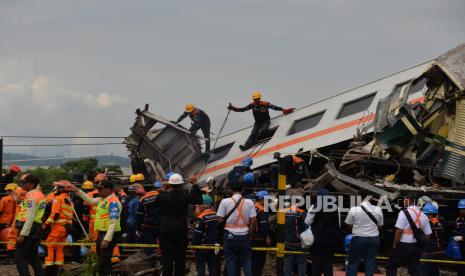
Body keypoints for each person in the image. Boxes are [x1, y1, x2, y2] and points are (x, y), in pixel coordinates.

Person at [59, 179, 123, 276]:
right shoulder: (103, 200)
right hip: (102, 233)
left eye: (101, 189)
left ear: (109, 190)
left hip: (108, 235)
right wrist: (75, 189)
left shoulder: (113, 202)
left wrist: (106, 239)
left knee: (104, 262)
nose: (98, 191)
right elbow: (90, 200)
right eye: (98, 189)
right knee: (102, 261)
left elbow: (113, 222)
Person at [155, 173, 202, 276]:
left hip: (165, 230)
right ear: (181, 184)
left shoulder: (163, 196)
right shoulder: (185, 195)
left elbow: (156, 203)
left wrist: (163, 189)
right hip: (180, 230)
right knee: (180, 258)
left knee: (167, 258)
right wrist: (195, 184)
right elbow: (199, 200)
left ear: (169, 184)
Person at [228, 92, 294, 150]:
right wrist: (233, 108)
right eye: (254, 99)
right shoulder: (252, 105)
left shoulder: (265, 103)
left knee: (264, 130)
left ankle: (256, 139)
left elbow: (275, 107)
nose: (256, 100)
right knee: (253, 133)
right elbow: (242, 109)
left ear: (259, 98)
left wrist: (284, 110)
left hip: (265, 121)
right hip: (257, 123)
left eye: (257, 99)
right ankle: (246, 146)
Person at [217, 180, 257, 276]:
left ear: (230, 190)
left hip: (230, 235)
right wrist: (250, 235)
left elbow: (220, 220)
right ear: (243, 190)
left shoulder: (224, 202)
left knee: (231, 261)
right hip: (244, 236)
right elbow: (253, 221)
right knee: (247, 260)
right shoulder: (249, 202)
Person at [386, 194, 432, 276]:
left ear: (409, 201)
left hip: (404, 245)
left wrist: (394, 245)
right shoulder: (424, 215)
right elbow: (428, 234)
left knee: (391, 266)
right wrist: (421, 245)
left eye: (405, 199)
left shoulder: (403, 213)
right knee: (414, 269)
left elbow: (399, 230)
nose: (403, 201)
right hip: (417, 247)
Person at [14, 174, 46, 276]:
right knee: (33, 257)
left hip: (28, 228)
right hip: (36, 227)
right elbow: (28, 209)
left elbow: (30, 217)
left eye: (24, 183)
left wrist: (22, 234)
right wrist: (17, 200)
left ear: (31, 184)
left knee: (20, 258)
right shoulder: (40, 195)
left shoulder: (31, 197)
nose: (22, 185)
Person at [305, 189, 341, 276]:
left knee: (316, 262)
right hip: (330, 239)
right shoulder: (336, 208)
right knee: (328, 263)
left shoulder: (314, 207)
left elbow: (307, 221)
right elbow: (338, 224)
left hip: (316, 239)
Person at [344, 197, 384, 276]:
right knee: (370, 263)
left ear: (360, 198)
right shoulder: (378, 209)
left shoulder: (354, 209)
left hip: (358, 238)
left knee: (353, 262)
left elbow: (348, 224)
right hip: (374, 239)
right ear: (371, 198)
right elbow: (380, 226)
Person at [43, 184, 73, 274]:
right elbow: (70, 216)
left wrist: (46, 224)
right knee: (59, 248)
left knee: (49, 246)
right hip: (65, 228)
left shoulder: (58, 199)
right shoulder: (70, 201)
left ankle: (49, 269)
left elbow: (55, 214)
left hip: (57, 227)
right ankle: (59, 268)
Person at [192, 194, 220, 276]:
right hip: (215, 246)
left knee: (201, 268)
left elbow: (197, 233)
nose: (197, 207)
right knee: (213, 267)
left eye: (198, 205)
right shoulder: (217, 216)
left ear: (204, 205)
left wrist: (194, 246)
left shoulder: (201, 217)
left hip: (202, 246)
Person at [137, 182, 161, 266]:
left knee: (149, 245)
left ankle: (152, 263)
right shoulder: (160, 196)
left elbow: (140, 215)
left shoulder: (142, 199)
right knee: (163, 244)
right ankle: (164, 261)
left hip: (148, 226)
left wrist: (139, 228)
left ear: (145, 189)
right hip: (161, 225)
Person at [420, 203, 444, 276]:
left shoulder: (428, 223)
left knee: (424, 270)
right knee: (433, 269)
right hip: (437, 250)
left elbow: (426, 237)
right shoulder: (438, 222)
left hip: (429, 251)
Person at [251, 190, 271, 276]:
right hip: (259, 239)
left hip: (251, 237)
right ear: (262, 199)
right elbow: (263, 226)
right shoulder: (262, 210)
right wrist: (267, 237)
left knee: (252, 260)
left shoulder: (253, 207)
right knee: (259, 262)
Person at [284, 204, 308, 276]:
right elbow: (306, 228)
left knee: (288, 260)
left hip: (287, 241)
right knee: (302, 261)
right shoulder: (301, 214)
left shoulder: (283, 214)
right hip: (299, 242)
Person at [453, 199, 465, 276]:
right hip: (460, 247)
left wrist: (462, 238)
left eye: (463, 209)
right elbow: (456, 230)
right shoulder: (459, 219)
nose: (462, 210)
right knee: (460, 267)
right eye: (461, 209)